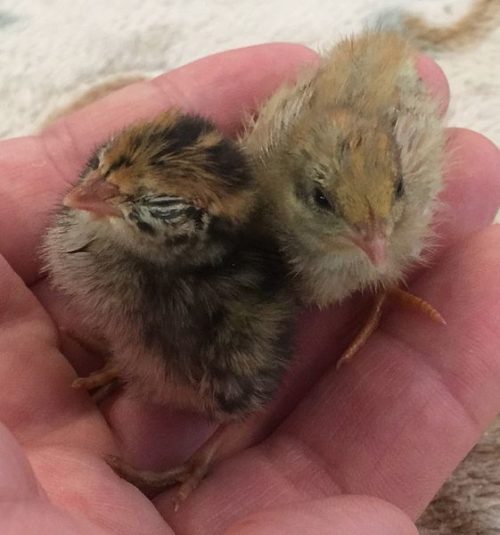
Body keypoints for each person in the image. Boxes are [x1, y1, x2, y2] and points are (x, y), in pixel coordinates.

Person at [0, 43, 499, 534]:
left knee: (230, 364)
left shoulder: (237, 279)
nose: (82, 193)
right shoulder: (247, 220)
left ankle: (204, 430)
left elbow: (243, 361)